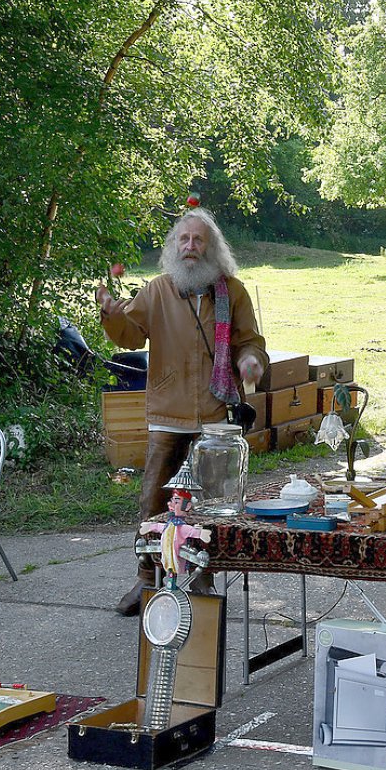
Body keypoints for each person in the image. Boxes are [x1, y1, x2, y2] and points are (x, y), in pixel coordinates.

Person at [97, 208, 267, 615]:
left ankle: (202, 578)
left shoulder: (233, 292)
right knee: (153, 501)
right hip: (167, 414)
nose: (190, 247)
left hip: (213, 416)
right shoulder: (157, 290)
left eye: (198, 240)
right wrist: (109, 310)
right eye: (184, 240)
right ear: (174, 247)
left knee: (207, 504)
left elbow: (250, 340)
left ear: (212, 248)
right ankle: (146, 580)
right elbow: (127, 334)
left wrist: (250, 361)